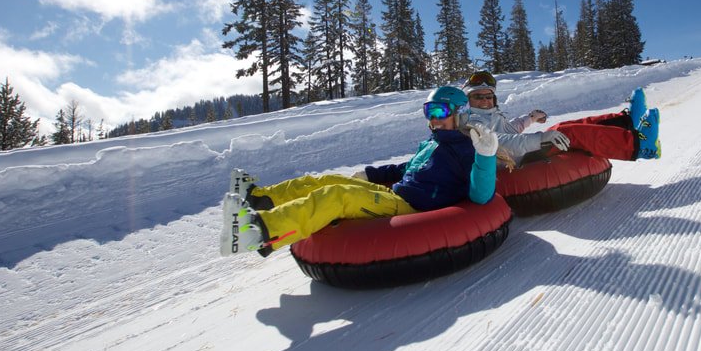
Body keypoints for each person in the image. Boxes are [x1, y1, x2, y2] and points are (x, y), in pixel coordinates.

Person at [219, 85, 499, 258]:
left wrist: (485, 157)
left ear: (460, 113)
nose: (433, 119)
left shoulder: (467, 149)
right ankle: (259, 198)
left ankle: (259, 232)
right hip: (396, 194)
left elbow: (481, 195)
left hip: (412, 208)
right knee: (328, 179)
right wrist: (371, 174)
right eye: (429, 111)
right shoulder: (433, 141)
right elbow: (406, 168)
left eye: (440, 112)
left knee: (338, 195)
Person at [462, 70, 661, 165]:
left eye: (488, 96)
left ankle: (626, 121)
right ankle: (639, 147)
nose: (485, 100)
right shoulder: (472, 122)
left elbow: (510, 130)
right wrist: (540, 138)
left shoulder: (490, 115)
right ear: (469, 100)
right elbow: (501, 142)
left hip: (522, 152)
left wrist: (531, 118)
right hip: (515, 162)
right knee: (568, 133)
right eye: (478, 97)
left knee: (563, 125)